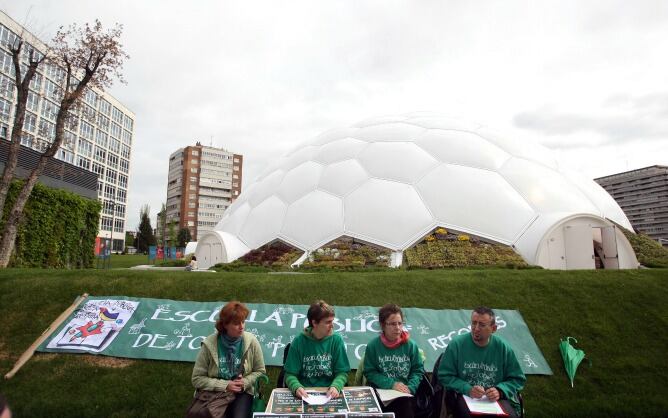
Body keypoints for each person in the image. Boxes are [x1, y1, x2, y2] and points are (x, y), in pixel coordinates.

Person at [438, 306, 526, 418]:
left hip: (495, 399)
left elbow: (517, 379)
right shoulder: (456, 345)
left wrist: (500, 391)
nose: (476, 328)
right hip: (466, 396)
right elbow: (444, 375)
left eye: (482, 325)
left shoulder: (503, 348)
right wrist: (468, 389)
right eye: (474, 323)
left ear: (494, 329)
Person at [190, 301, 266, 418]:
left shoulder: (251, 341)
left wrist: (244, 382)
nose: (242, 327)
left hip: (242, 392)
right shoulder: (209, 344)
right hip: (214, 393)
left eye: (243, 322)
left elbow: (260, 371)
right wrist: (225, 385)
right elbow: (197, 379)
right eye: (236, 324)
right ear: (225, 325)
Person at [363, 303, 424, 418]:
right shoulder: (373, 346)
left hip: (404, 394)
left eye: (400, 323)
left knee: (406, 411)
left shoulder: (411, 345)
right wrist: (391, 384)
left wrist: (410, 388)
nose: (397, 328)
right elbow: (370, 372)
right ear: (382, 325)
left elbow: (418, 370)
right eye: (392, 324)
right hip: (381, 392)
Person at [284, 300, 350, 400]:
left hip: (329, 393)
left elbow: (342, 372)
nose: (332, 326)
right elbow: (290, 374)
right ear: (314, 322)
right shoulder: (299, 341)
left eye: (332, 321)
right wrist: (296, 387)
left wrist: (336, 386)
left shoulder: (336, 340)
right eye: (328, 322)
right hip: (305, 393)